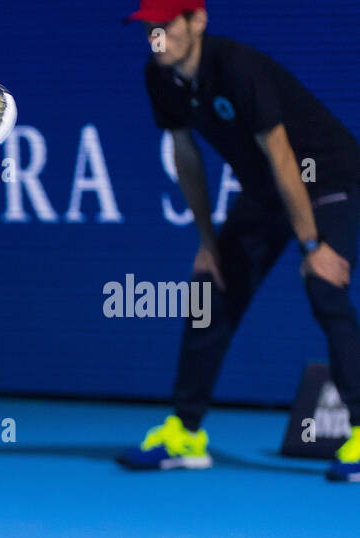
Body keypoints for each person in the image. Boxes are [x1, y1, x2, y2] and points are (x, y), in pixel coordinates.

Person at [116, 0, 360, 481]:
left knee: (324, 287)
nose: (156, 38)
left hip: (330, 178)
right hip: (267, 189)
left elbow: (284, 157)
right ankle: (185, 434)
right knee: (211, 290)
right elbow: (186, 156)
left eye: (165, 26)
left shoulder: (238, 69)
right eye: (149, 28)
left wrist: (312, 248)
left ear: (197, 20)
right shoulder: (159, 76)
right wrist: (208, 243)